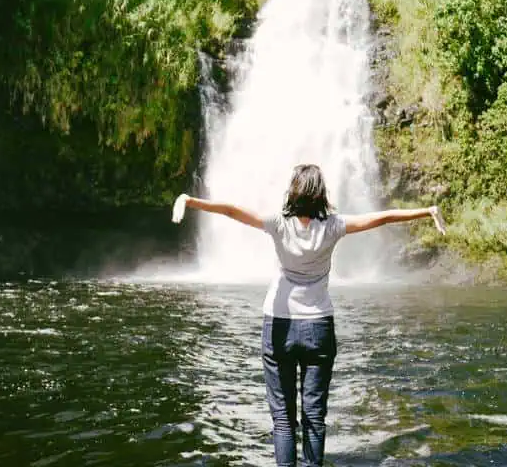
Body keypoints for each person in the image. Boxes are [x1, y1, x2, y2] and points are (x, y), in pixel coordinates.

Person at [171, 163, 446, 467]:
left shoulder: (278, 224)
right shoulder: (334, 226)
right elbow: (381, 218)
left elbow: (232, 211)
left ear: (293, 191)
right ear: (321, 194)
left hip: (278, 325)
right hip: (318, 327)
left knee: (283, 418)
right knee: (315, 415)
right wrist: (426, 211)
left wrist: (191, 201)